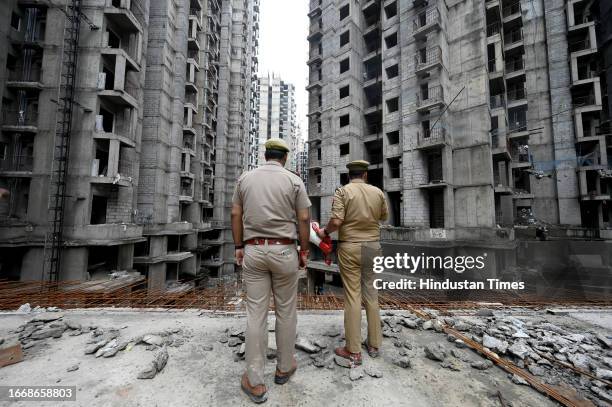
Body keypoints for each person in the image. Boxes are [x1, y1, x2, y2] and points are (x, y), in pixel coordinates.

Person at [231, 138, 311, 403]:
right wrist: (303, 251)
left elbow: (235, 214)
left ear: (265, 155)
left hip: (253, 250)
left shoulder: (245, 179)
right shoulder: (294, 181)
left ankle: (254, 381)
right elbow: (303, 218)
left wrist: (238, 246)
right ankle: (284, 367)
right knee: (286, 311)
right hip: (285, 251)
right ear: (285, 158)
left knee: (256, 313)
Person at [317, 160, 388, 365]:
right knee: (371, 294)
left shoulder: (343, 192)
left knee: (352, 297)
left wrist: (324, 232)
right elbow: (384, 216)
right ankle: (374, 345)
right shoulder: (378, 192)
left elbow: (337, 221)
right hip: (373, 247)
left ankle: (353, 350)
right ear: (365, 175)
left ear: (349, 176)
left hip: (350, 247)